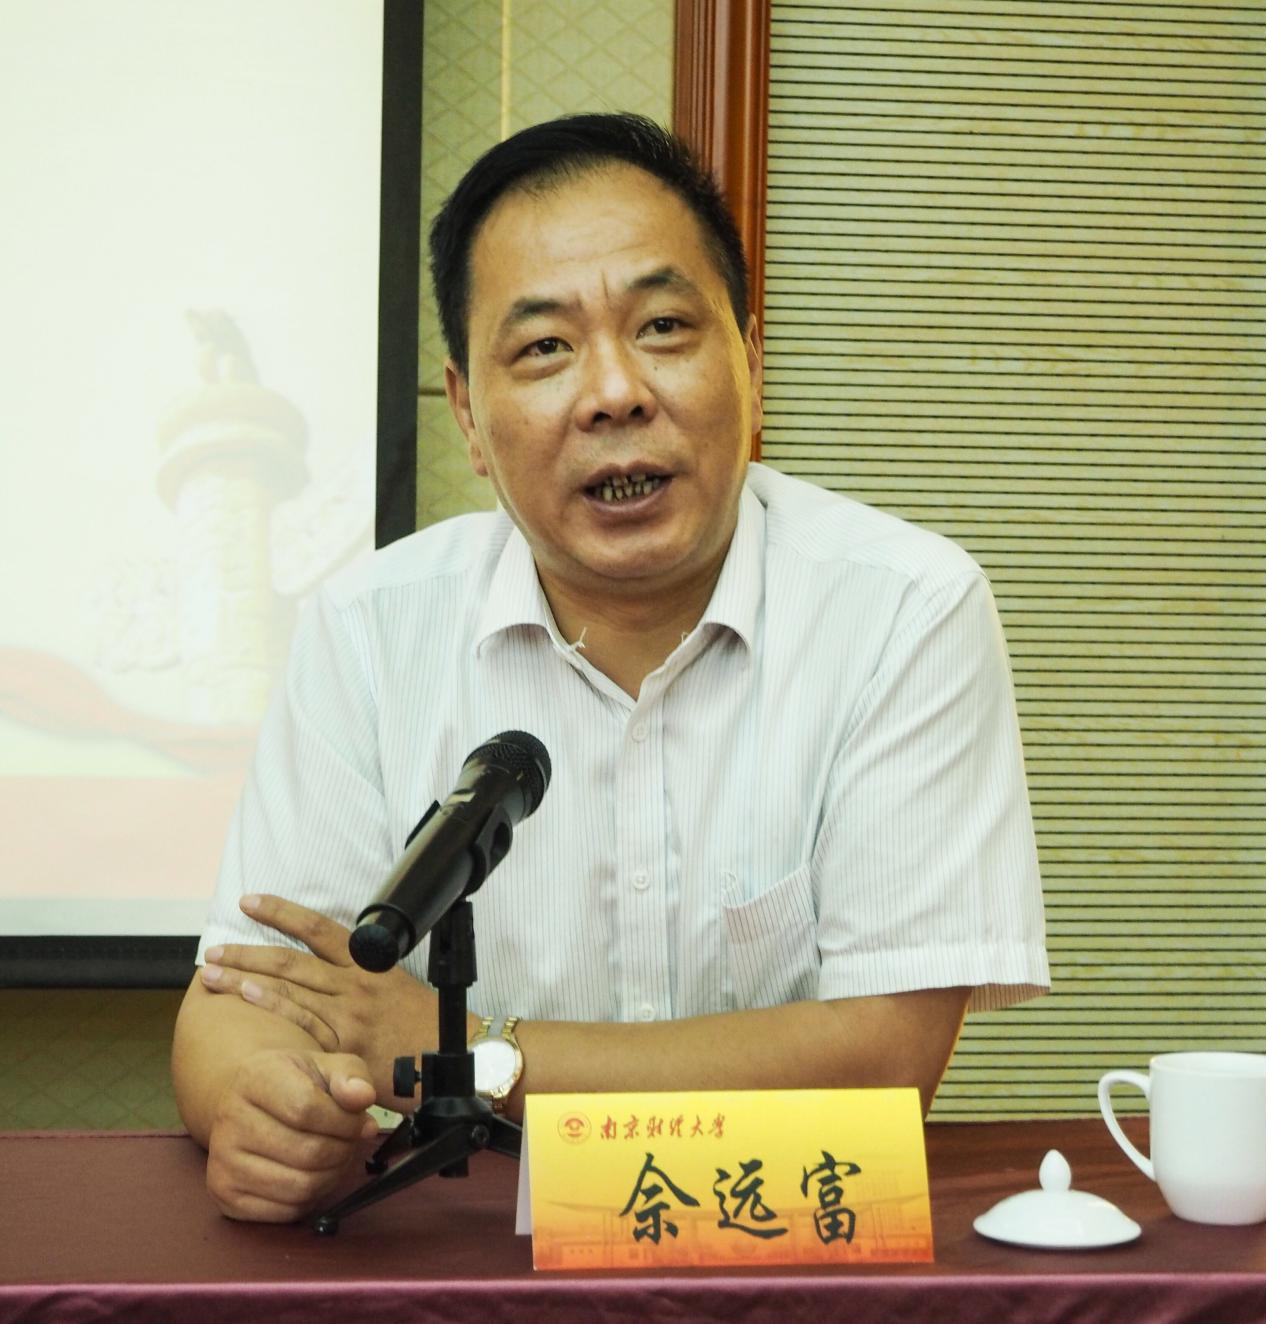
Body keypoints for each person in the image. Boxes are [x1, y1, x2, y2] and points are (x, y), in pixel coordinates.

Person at [171, 113, 1049, 1223]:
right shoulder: (368, 627)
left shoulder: (905, 609)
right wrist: (261, 1106)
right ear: (468, 417)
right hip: (464, 1250)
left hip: (774, 1248)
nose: (614, 392)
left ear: (752, 361)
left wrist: (470, 1052)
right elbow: (241, 999)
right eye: (545, 348)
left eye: (664, 326)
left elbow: (881, 1063)